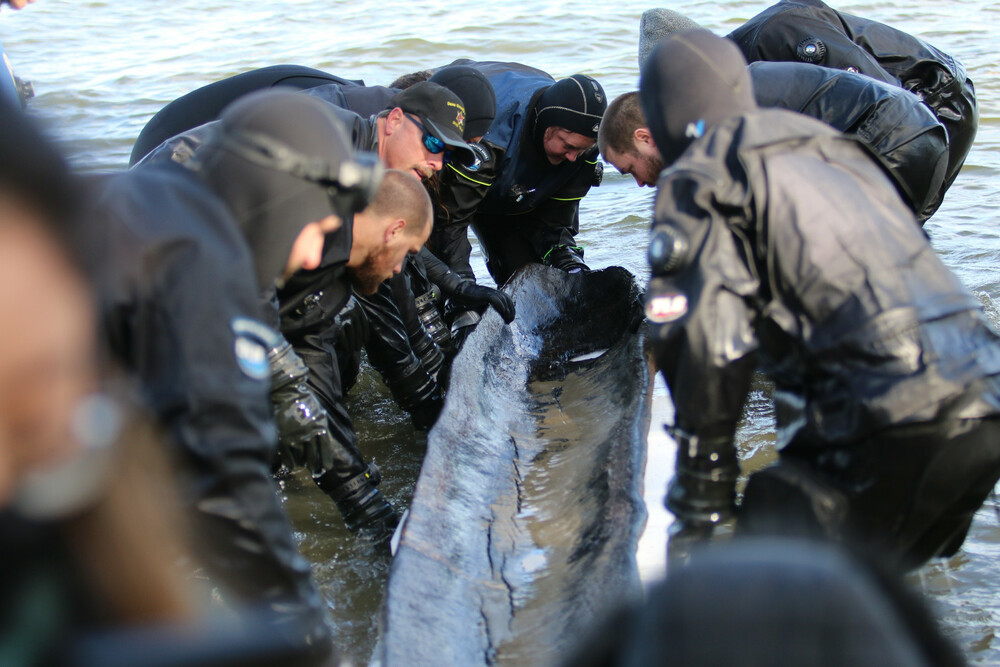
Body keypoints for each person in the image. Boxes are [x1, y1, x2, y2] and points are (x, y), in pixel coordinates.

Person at [640, 29, 1000, 570]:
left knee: (758, 585)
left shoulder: (700, 173)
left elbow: (709, 342)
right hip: (983, 395)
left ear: (666, 112)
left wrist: (701, 502)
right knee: (877, 598)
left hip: (883, 415)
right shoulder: (837, 151)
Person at [84, 89, 384, 659]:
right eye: (317, 228)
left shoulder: (162, 196)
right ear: (278, 201)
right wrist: (305, 635)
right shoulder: (199, 264)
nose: (312, 255)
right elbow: (228, 486)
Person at [640, 4, 978, 218]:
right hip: (915, 112)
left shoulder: (774, 35)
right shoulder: (738, 85)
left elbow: (884, 99)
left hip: (937, 97)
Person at [599, 67, 949, 222]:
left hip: (882, 136)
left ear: (644, 138)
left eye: (630, 169)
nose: (641, 182)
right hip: (927, 134)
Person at [448, 61, 607, 286]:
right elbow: (450, 222)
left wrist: (567, 260)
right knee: (444, 282)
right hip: (462, 147)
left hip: (516, 189)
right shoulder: (491, 142)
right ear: (547, 127)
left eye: (581, 150)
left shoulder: (583, 148)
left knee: (527, 280)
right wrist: (460, 283)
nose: (573, 156)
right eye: (567, 146)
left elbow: (557, 218)